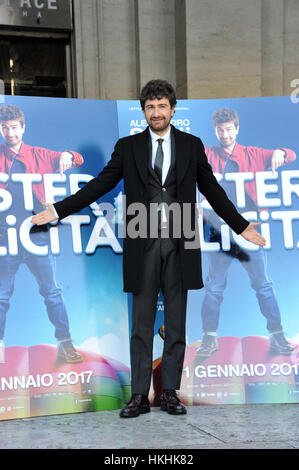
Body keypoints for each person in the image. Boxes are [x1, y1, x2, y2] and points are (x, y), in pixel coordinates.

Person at [32, 80, 265, 418]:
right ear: (144, 111)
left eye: (162, 106)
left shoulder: (191, 145)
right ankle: (140, 395)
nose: (156, 112)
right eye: (150, 107)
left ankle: (169, 392)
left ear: (173, 109)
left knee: (176, 325)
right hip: (142, 245)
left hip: (181, 243)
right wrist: (57, 209)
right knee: (141, 325)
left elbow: (213, 190)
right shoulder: (127, 147)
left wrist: (241, 225)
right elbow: (99, 185)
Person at [197, 108, 295, 358]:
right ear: (215, 131)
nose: (225, 134)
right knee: (214, 288)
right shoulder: (207, 153)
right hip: (219, 232)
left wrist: (282, 153)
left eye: (229, 129)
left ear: (237, 129)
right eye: (220, 129)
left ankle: (277, 335)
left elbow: (290, 155)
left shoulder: (253, 154)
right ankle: (209, 339)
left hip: (249, 230)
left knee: (263, 285)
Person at [0, 104, 83, 364]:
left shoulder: (39, 154)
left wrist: (68, 155)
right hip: (6, 237)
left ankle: (66, 345)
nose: (10, 132)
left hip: (37, 236)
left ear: (23, 128)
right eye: (4, 127)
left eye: (14, 127)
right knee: (1, 295)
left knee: (52, 292)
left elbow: (77, 158)